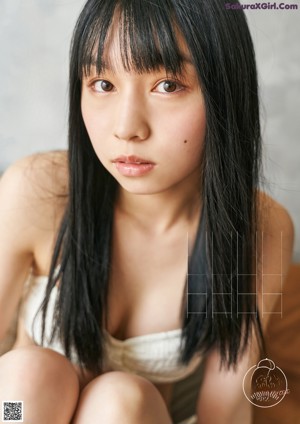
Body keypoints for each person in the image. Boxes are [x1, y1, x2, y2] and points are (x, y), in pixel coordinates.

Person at [0, 0, 294, 423]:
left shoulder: (258, 229)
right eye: (102, 83)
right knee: (27, 375)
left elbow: (225, 407)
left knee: (120, 400)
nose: (126, 127)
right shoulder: (38, 191)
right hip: (17, 413)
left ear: (223, 91)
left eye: (168, 85)